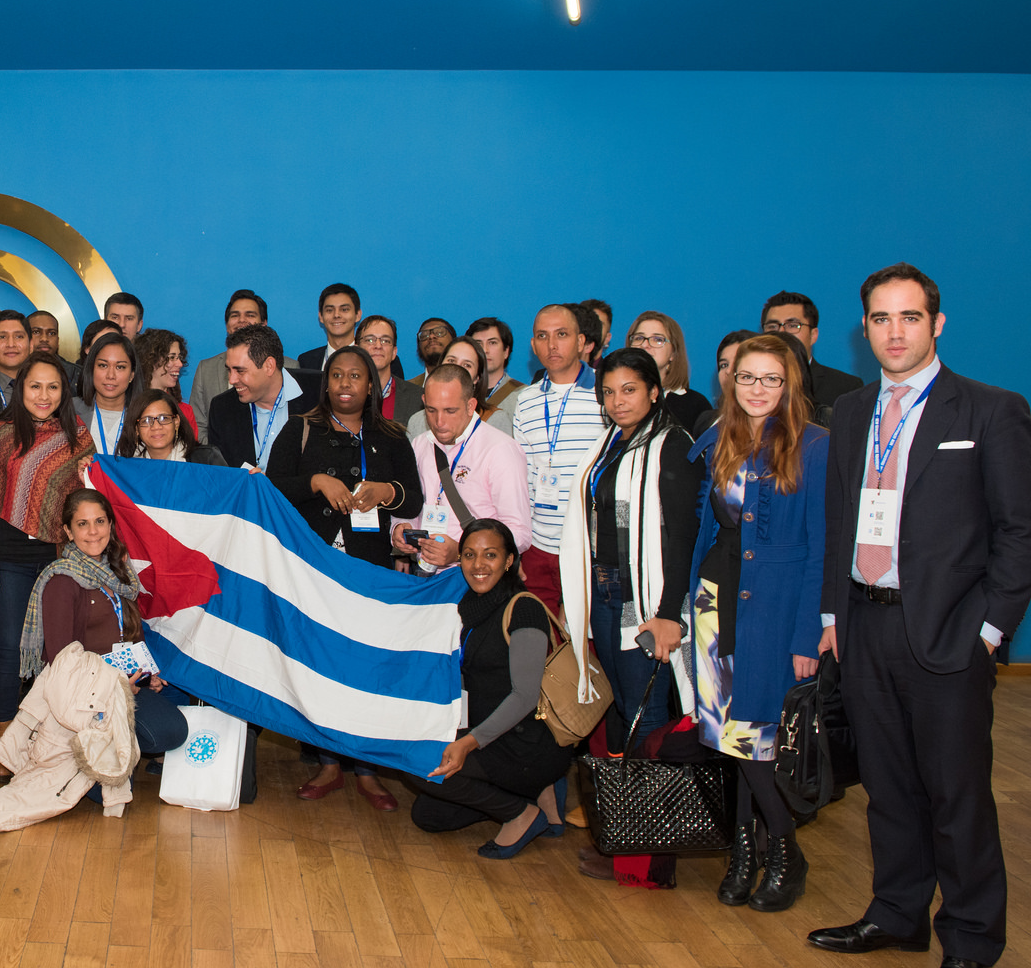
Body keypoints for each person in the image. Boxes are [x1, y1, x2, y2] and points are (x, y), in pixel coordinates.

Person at [808, 264, 1031, 968]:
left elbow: (1021, 530)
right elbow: (839, 520)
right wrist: (832, 616)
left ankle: (970, 941)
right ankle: (896, 913)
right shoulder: (852, 412)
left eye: (910, 317)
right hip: (865, 624)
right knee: (887, 786)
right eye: (881, 318)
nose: (895, 331)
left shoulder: (990, 410)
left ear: (936, 324)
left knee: (956, 793)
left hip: (949, 632)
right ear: (865, 328)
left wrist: (989, 629)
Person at [681, 334, 827, 914]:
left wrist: (808, 634)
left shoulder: (815, 446)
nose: (758, 389)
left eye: (771, 378)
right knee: (729, 735)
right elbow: (704, 527)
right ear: (731, 381)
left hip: (775, 609)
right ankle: (744, 853)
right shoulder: (718, 438)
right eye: (747, 377)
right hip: (715, 603)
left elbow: (820, 551)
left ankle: (785, 849)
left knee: (757, 737)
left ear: (790, 384)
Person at [266, 345, 422, 810]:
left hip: (368, 571)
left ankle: (367, 769)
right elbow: (272, 488)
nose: (346, 384)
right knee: (319, 664)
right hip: (311, 567)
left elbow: (413, 498)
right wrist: (316, 481)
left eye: (356, 376)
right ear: (326, 383)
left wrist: (386, 490)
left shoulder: (392, 435)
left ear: (371, 384)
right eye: (337, 376)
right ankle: (328, 763)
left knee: (364, 666)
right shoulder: (300, 428)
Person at [396, 520, 572, 858]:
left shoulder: (524, 608)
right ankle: (532, 794)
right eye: (469, 555)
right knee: (428, 816)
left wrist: (466, 744)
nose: (478, 565)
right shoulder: (467, 604)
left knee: (416, 761)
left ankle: (521, 814)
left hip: (526, 742)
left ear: (509, 560)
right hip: (487, 732)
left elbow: (525, 696)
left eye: (490, 555)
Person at [560, 348, 703, 756]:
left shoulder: (672, 444)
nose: (617, 401)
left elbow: (684, 538)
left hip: (642, 600)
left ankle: (647, 795)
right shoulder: (608, 444)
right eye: (608, 392)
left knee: (646, 710)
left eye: (629, 390)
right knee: (623, 705)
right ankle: (626, 794)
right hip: (603, 593)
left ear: (654, 391)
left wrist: (669, 613)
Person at [0, 355, 94, 778]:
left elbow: (87, 500)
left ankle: (47, 735)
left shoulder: (77, 436)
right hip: (8, 558)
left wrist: (89, 476)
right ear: (20, 389)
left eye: (53, 387)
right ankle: (4, 740)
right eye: (35, 386)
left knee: (55, 649)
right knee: (8, 647)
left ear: (64, 392)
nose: (44, 395)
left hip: (58, 559)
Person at [24, 489, 189, 755]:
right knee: (153, 737)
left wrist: (147, 674)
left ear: (110, 525)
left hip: (124, 682)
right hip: (83, 696)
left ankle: (113, 748)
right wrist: (115, 688)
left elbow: (131, 633)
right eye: (82, 524)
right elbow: (62, 663)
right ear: (68, 532)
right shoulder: (61, 582)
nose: (93, 531)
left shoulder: (119, 574)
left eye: (99, 521)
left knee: (173, 728)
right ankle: (93, 752)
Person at [509, 305, 606, 613]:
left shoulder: (606, 394)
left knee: (587, 639)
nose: (552, 345)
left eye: (561, 334)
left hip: (590, 547)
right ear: (533, 345)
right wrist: (519, 547)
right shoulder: (525, 400)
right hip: (537, 547)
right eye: (542, 336)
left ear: (581, 341)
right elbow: (522, 477)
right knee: (537, 635)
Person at [398, 364, 532, 576]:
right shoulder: (420, 444)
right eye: (431, 410)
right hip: (425, 572)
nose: (439, 422)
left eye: (450, 411)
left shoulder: (500, 449)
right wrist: (400, 528)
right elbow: (412, 505)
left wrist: (462, 552)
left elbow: (519, 533)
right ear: (423, 402)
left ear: (471, 406)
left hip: (477, 576)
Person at [208, 325, 316, 471]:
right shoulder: (222, 408)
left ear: (269, 366)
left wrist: (279, 481)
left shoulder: (319, 393)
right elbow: (221, 473)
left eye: (240, 371)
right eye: (229, 370)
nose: (232, 380)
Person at [762, 290, 863, 409]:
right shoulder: (749, 384)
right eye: (773, 326)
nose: (781, 333)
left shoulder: (845, 388)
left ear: (813, 335)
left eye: (793, 326)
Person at [191, 290, 267, 441]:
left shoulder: (288, 366)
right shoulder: (206, 369)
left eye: (250, 315)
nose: (241, 320)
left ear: (264, 324)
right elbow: (198, 425)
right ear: (227, 325)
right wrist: (218, 453)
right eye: (235, 315)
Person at [405, 336, 510, 437]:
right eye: (451, 361)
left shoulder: (495, 419)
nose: (456, 368)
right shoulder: (417, 421)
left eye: (467, 365)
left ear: (477, 378)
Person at [624, 310, 710, 433]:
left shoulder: (695, 405)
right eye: (639, 338)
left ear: (673, 353)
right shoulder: (615, 398)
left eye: (657, 339)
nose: (645, 345)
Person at [117, 389, 226, 464]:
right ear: (136, 429)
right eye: (146, 420)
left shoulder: (206, 459)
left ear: (176, 422)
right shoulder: (127, 469)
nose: (156, 426)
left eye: (164, 418)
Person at [74, 331, 138, 454]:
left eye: (120, 367)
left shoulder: (144, 417)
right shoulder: (70, 410)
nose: (110, 375)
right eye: (103, 365)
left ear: (131, 375)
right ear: (91, 369)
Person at [358, 314, 422, 428]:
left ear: (394, 352)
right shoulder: (342, 395)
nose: (378, 346)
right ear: (356, 349)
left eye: (385, 341)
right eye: (370, 340)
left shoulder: (419, 398)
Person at [132, 328, 197, 431]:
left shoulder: (185, 412)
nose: (180, 364)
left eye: (179, 357)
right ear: (150, 360)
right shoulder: (128, 407)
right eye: (172, 357)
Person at [296, 283, 360, 370]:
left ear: (357, 315)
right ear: (321, 317)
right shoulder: (306, 361)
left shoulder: (370, 357)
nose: (336, 315)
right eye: (329, 310)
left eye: (344, 309)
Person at [467, 317, 525, 411]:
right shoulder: (459, 393)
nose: (485, 350)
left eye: (492, 343)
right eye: (478, 344)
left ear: (506, 351)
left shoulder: (523, 395)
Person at [411, 318, 456, 385]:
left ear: (454, 341)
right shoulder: (407, 388)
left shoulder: (469, 382)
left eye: (439, 332)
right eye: (424, 335)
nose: (431, 336)